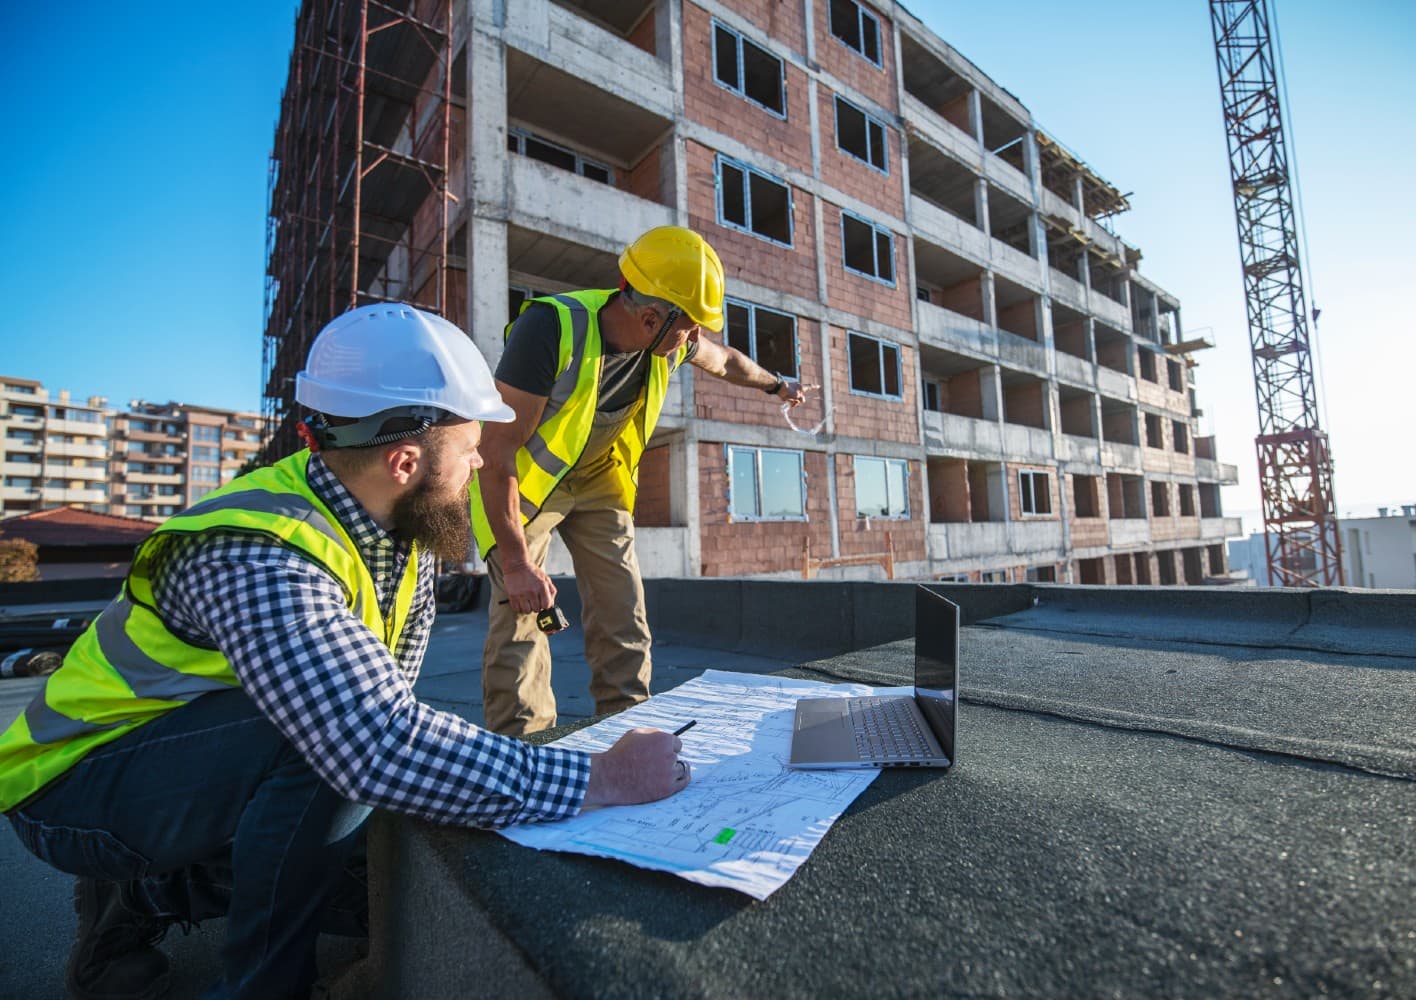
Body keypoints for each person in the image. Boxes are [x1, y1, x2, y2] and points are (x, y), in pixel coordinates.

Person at [0, 303, 690, 1000]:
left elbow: (392, 711)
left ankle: (146, 896)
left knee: (379, 873)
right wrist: (600, 779)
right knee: (318, 735)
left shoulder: (402, 526)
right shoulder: (260, 551)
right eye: (471, 445)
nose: (483, 460)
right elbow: (371, 738)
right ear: (403, 460)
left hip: (189, 760)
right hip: (71, 788)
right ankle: (260, 985)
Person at [473, 226, 809, 736]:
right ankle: (523, 748)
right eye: (691, 327)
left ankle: (627, 729)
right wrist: (517, 563)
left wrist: (778, 386)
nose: (696, 340)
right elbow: (495, 453)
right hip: (527, 484)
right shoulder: (550, 328)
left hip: (599, 479)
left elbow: (727, 361)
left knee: (623, 613)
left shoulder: (668, 340)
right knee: (519, 617)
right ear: (651, 316)